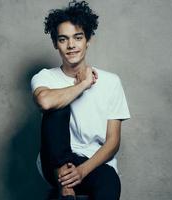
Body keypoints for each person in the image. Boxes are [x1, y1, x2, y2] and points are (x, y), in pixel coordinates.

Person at [30, 1, 131, 199]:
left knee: (110, 182)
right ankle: (64, 185)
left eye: (78, 37)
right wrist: (82, 85)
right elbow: (45, 102)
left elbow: (113, 142)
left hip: (94, 163)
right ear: (55, 43)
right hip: (54, 162)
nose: (71, 45)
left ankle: (68, 184)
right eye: (63, 39)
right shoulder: (45, 77)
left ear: (88, 39)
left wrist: (82, 171)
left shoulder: (111, 82)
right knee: (57, 103)